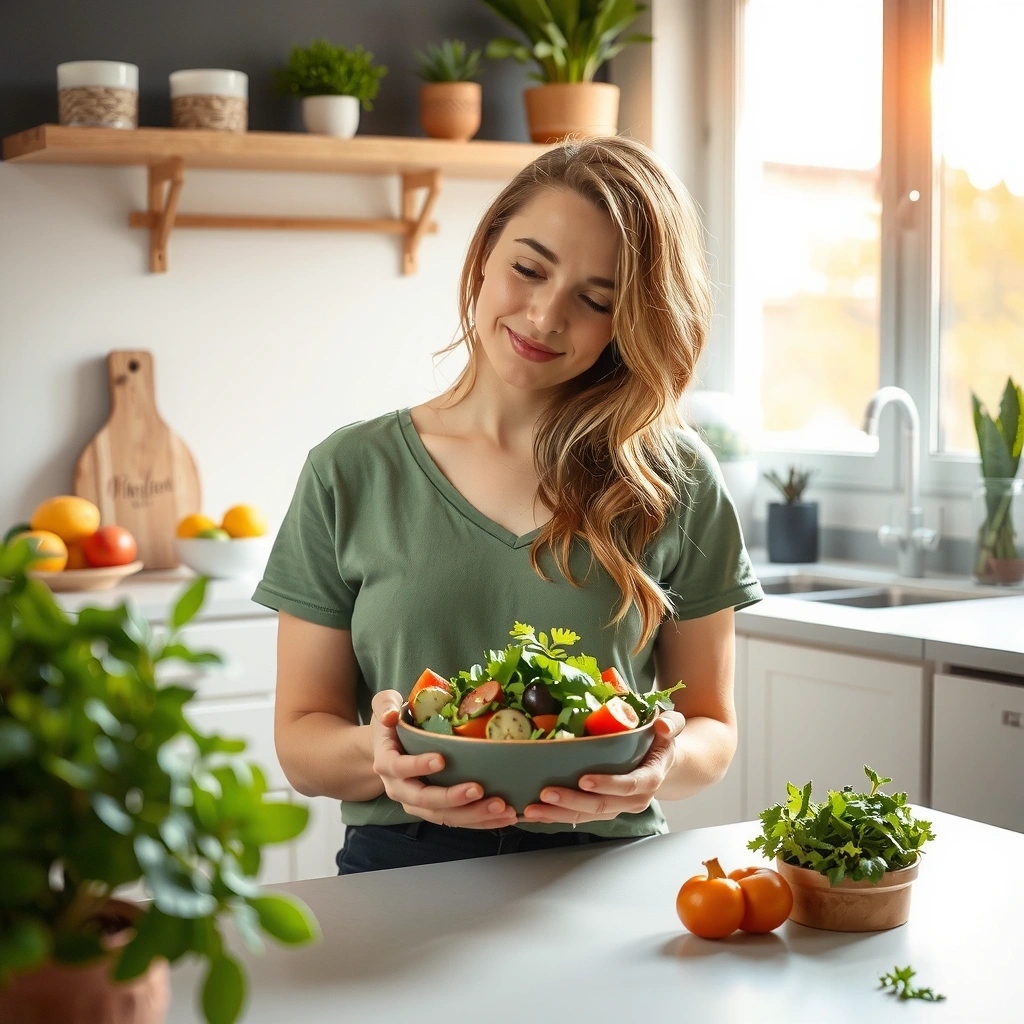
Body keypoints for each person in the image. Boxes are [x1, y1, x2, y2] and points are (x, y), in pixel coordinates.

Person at [252, 135, 763, 875]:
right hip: (402, 866)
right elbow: (302, 741)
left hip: (604, 868)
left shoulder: (673, 480)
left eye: (595, 300)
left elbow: (713, 727)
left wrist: (653, 771)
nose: (546, 317)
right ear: (487, 249)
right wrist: (388, 758)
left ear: (631, 322)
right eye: (529, 269)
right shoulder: (350, 470)